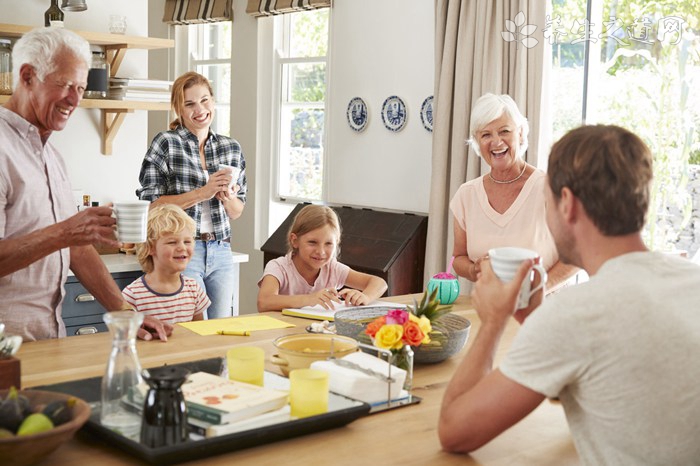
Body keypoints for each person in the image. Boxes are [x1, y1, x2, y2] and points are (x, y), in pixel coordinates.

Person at [439, 125, 700, 464]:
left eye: (546, 202)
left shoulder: (577, 313)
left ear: (568, 205)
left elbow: (454, 431)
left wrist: (493, 322)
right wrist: (535, 319)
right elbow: (601, 385)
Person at [0, 27, 170, 342]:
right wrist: (64, 233)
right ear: (27, 77)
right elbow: (65, 236)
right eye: (65, 85)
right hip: (6, 347)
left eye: (81, 87)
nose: (75, 99)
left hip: (48, 339)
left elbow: (76, 248)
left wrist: (125, 312)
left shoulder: (50, 154)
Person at [137, 71, 246, 319]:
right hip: (184, 250)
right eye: (190, 103)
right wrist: (202, 192)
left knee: (221, 329)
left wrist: (227, 197)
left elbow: (238, 212)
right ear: (179, 109)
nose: (200, 109)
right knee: (192, 328)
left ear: (213, 101)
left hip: (221, 250)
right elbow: (151, 205)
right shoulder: (166, 143)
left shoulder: (231, 147)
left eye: (205, 100)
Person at [449, 93, 576, 292]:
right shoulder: (466, 195)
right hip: (488, 309)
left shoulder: (549, 188)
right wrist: (474, 269)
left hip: (542, 311)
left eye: (504, 131)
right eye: (486, 135)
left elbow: (576, 256)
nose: (496, 142)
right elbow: (459, 258)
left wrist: (535, 291)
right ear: (477, 141)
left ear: (521, 133)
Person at [257, 205, 388, 312]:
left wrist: (364, 296)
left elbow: (380, 283)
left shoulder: (333, 268)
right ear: (295, 240)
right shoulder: (278, 267)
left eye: (328, 244)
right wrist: (310, 299)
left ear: (336, 243)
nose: (321, 252)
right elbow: (264, 302)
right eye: (312, 242)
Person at [122, 205, 210, 324]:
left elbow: (198, 332)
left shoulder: (194, 289)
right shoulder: (132, 295)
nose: (182, 247)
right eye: (172, 242)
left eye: (187, 241)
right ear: (150, 248)